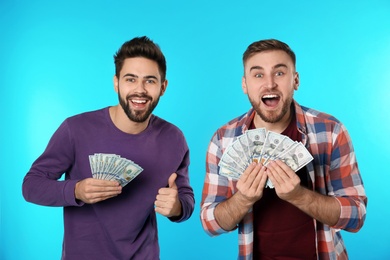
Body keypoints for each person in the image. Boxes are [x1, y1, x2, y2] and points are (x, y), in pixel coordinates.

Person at [22, 36, 195, 259]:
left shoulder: (174, 139)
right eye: (130, 79)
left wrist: (177, 208)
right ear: (116, 83)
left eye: (150, 81)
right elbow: (31, 186)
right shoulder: (75, 129)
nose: (140, 90)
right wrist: (75, 190)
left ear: (163, 87)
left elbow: (186, 199)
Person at [200, 39, 367, 259]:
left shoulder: (331, 131)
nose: (269, 84)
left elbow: (356, 215)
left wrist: (300, 196)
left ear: (295, 80)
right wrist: (243, 199)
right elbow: (211, 223)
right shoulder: (223, 140)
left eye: (279, 73)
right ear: (244, 85)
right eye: (258, 75)